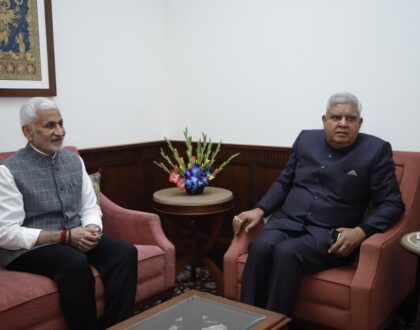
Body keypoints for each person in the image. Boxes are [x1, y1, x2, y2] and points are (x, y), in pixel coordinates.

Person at [232, 92, 405, 316]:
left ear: (359, 123)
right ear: (324, 120)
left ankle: (275, 323)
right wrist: (260, 209)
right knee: (260, 246)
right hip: (287, 222)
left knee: (287, 252)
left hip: (329, 234)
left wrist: (361, 232)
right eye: (336, 117)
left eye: (350, 118)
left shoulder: (375, 151)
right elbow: (284, 182)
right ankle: (249, 317)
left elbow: (392, 204)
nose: (343, 124)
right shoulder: (306, 139)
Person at [0, 97, 138, 329]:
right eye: (50, 125)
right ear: (28, 132)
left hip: (74, 237)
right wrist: (64, 237)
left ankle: (117, 325)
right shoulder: (8, 171)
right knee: (74, 262)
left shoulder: (74, 160)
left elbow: (90, 206)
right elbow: (6, 233)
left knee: (124, 252)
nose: (60, 131)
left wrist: (92, 229)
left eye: (61, 123)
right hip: (30, 249)